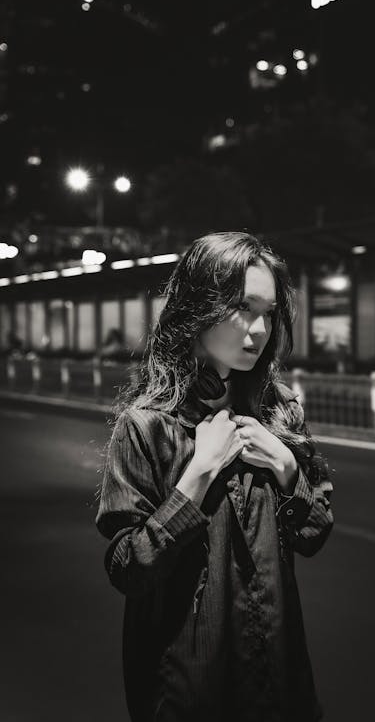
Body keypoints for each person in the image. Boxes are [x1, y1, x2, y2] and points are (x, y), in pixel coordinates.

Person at [95, 231, 335, 722]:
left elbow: (314, 533)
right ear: (199, 309)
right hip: (190, 689)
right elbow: (128, 568)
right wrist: (196, 478)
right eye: (244, 308)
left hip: (278, 679)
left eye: (269, 312)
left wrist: (289, 472)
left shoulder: (279, 409)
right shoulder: (148, 426)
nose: (260, 328)